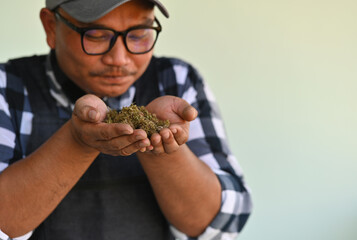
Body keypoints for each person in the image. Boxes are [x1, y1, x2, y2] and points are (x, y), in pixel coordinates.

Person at [0, 0, 252, 239]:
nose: (119, 59)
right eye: (96, 35)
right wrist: (78, 140)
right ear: (51, 27)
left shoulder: (176, 79)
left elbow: (220, 225)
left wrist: (162, 146)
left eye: (140, 33)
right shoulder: (8, 87)